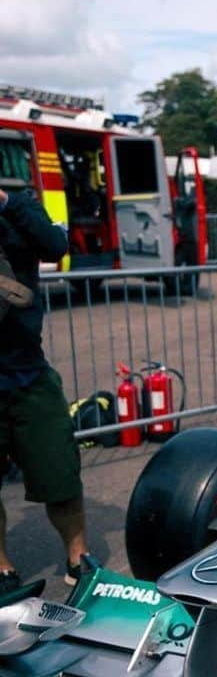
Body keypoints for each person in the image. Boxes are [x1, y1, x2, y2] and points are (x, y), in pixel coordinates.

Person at [0, 186, 91, 598]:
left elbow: (55, 245)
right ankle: (2, 569)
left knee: (61, 474)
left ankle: (79, 559)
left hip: (28, 374)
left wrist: (7, 203)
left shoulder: (20, 204)